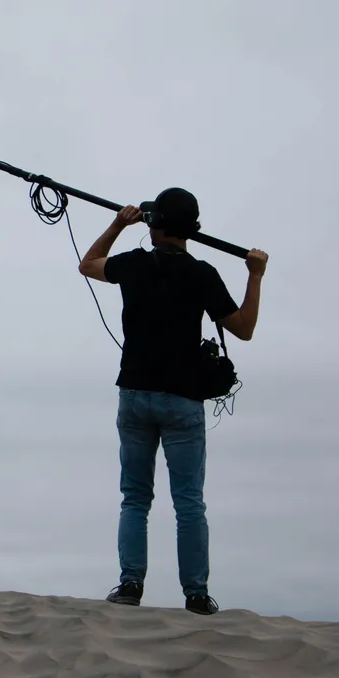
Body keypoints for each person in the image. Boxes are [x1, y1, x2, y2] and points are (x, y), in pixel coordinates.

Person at [78, 187, 268, 615]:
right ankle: (196, 593)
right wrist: (254, 275)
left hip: (136, 394)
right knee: (189, 502)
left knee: (134, 497)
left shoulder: (134, 263)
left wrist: (116, 225)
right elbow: (244, 328)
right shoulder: (203, 274)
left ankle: (130, 585)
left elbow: (87, 264)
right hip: (183, 400)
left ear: (154, 223)